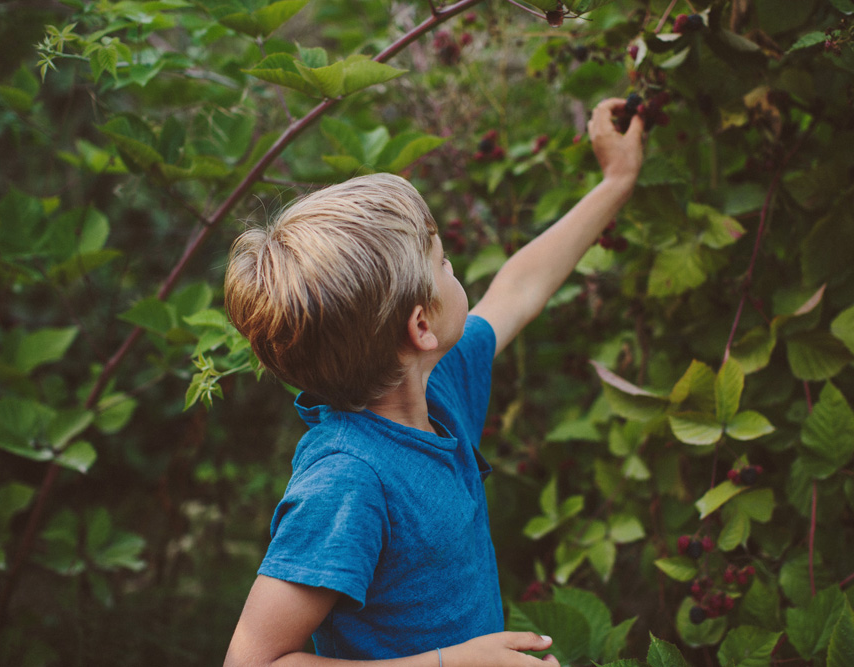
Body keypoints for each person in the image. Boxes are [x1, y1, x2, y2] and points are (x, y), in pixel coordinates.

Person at [222, 98, 645, 667]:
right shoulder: (349, 481)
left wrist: (617, 181)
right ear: (421, 325)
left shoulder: (436, 389)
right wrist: (456, 663)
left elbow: (518, 291)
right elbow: (253, 662)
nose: (454, 269)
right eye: (443, 262)